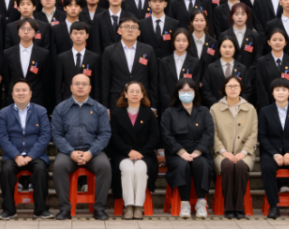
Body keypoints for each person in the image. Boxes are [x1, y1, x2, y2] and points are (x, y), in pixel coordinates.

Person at [51, 73, 111, 220]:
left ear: (90, 88)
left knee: (105, 166)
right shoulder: (60, 108)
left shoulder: (100, 109)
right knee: (59, 166)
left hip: (93, 153)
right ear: (71, 87)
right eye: (77, 84)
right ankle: (65, 208)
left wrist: (90, 152)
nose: (80, 87)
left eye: (84, 84)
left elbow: (104, 134)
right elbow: (57, 135)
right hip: (68, 152)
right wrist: (71, 152)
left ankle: (99, 208)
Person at [0, 79, 54, 220]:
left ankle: (41, 210)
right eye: (17, 90)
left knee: (40, 170)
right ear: (12, 94)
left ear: (30, 93)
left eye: (24, 90)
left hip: (35, 155)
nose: (20, 93)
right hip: (13, 156)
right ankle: (9, 210)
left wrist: (30, 156)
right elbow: (2, 137)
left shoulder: (41, 111)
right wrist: (16, 156)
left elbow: (45, 135)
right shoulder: (4, 112)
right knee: (6, 171)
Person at [160, 77, 214, 219]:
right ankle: (185, 204)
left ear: (195, 93)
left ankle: (201, 203)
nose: (186, 94)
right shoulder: (169, 112)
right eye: (183, 91)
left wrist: (197, 152)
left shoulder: (204, 111)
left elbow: (209, 133)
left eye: (189, 91)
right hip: (176, 153)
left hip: (200, 152)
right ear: (177, 93)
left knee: (200, 164)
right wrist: (181, 152)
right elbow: (166, 135)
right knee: (182, 165)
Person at [258, 78, 289, 220]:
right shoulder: (265, 111)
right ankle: (273, 206)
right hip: (271, 152)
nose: (281, 92)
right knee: (267, 169)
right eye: (277, 90)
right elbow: (262, 136)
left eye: (284, 90)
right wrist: (274, 154)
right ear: (272, 93)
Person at [109, 81, 158, 220]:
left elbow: (155, 136)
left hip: (144, 154)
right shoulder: (117, 113)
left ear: (143, 95)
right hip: (123, 154)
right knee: (128, 169)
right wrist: (129, 151)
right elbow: (114, 136)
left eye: (138, 91)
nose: (135, 94)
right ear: (125, 94)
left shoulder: (149, 113)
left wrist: (141, 153)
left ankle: (138, 206)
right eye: (131, 91)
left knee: (140, 169)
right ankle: (129, 205)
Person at [210, 74, 257, 219]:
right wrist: (224, 152)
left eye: (236, 86)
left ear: (241, 89)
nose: (232, 89)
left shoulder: (250, 109)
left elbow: (253, 134)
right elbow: (212, 134)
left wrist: (243, 153)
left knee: (241, 167)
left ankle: (239, 207)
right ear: (224, 89)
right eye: (229, 86)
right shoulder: (215, 109)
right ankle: (229, 207)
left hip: (245, 153)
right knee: (228, 166)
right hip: (221, 153)